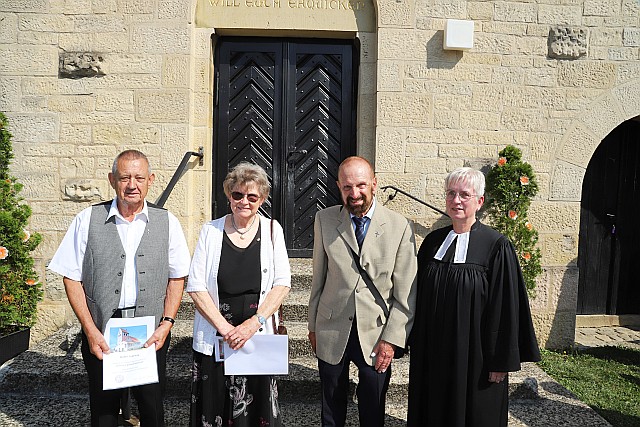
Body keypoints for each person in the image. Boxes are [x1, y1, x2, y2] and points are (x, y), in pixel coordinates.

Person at [48, 149, 191, 427]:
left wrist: (167, 324)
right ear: (112, 179)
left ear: (151, 180)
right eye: (125, 177)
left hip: (150, 331)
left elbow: (177, 277)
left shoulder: (167, 222)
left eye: (139, 177)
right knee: (104, 411)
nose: (132, 185)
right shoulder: (87, 219)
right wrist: (90, 330)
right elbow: (70, 276)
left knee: (152, 408)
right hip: (102, 329)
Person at [407, 167, 541, 427]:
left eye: (464, 195)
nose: (456, 200)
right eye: (451, 193)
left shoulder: (496, 245)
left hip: (475, 357)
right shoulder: (433, 242)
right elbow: (417, 295)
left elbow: (506, 307)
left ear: (479, 201)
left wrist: (500, 360)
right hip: (433, 352)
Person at [307, 156, 417, 427]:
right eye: (347, 187)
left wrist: (391, 340)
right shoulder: (324, 219)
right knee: (331, 408)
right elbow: (318, 279)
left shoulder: (399, 226)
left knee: (373, 408)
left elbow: (406, 294)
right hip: (332, 327)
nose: (354, 194)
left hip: (377, 333)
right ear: (338, 187)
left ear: (375, 184)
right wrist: (312, 326)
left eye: (361, 185)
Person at [187, 162, 291, 427]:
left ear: (262, 199)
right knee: (215, 409)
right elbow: (196, 286)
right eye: (237, 195)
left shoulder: (272, 230)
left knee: (256, 414)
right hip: (216, 334)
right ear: (228, 195)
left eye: (252, 196)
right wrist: (225, 329)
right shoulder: (210, 231)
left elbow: (282, 283)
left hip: (256, 334)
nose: (244, 201)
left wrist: (253, 323)